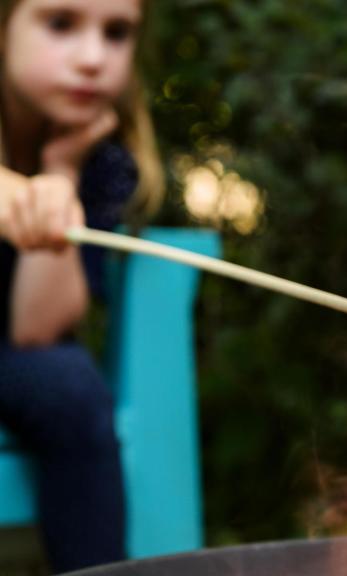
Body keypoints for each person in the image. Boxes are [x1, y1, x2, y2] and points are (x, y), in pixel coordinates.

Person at [0, 0, 163, 571]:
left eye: (117, 33)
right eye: (60, 23)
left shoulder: (102, 161)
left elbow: (37, 329)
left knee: (69, 381)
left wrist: (60, 173)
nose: (93, 58)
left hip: (12, 356)